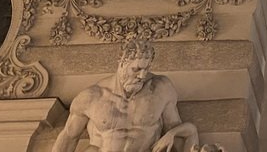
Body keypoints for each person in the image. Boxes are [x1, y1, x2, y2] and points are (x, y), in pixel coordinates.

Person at [52, 40, 199, 152]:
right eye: (136, 69)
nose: (142, 76)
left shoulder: (160, 89)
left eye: (146, 69)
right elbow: (69, 137)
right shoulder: (92, 97)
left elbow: (177, 132)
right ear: (121, 64)